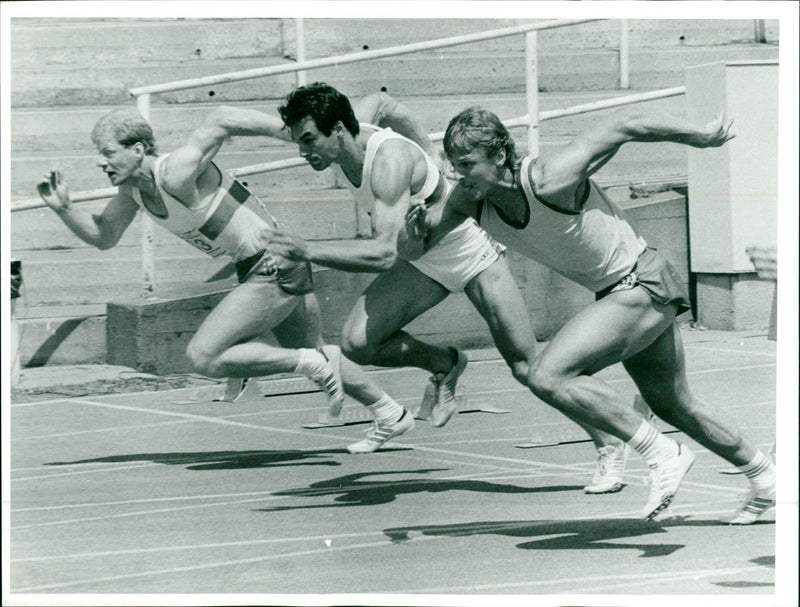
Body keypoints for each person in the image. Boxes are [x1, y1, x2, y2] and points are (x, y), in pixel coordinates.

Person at [407, 105, 776, 523]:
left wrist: (698, 135)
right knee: (673, 403)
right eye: (453, 166)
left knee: (546, 374)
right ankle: (766, 479)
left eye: (467, 164)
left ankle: (662, 453)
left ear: (499, 155)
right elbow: (409, 249)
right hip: (623, 290)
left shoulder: (548, 177)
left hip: (640, 281)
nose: (458, 174)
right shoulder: (467, 200)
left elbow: (624, 124)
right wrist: (412, 233)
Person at [36, 101, 414, 454]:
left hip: (272, 263)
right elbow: (103, 235)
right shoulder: (134, 192)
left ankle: (313, 363)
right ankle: (389, 412)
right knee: (315, 349)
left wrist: (289, 133)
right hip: (266, 264)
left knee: (205, 355)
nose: (101, 163)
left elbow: (220, 118)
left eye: (107, 153)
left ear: (137, 150)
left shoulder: (174, 171)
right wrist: (65, 210)